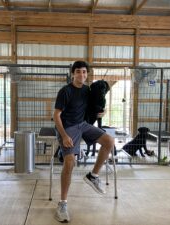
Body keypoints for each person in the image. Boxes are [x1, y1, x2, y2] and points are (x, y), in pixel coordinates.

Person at [53, 61, 114, 223]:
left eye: (85, 72)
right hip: (68, 127)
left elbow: (95, 105)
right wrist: (64, 136)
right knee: (70, 162)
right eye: (78, 72)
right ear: (73, 74)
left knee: (109, 141)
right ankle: (62, 204)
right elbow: (56, 115)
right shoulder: (65, 91)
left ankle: (93, 176)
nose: (82, 75)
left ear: (87, 74)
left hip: (83, 125)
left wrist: (102, 112)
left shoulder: (88, 90)